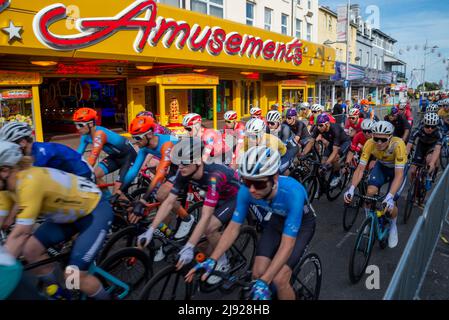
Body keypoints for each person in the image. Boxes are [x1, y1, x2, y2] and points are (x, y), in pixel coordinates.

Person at [185, 146, 315, 300]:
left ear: (274, 179)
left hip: (303, 225)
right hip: (277, 219)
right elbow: (233, 228)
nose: (252, 190)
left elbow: (287, 245)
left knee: (280, 279)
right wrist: (213, 259)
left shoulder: (293, 193)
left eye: (258, 184)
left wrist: (265, 281)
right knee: (257, 273)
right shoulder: (246, 191)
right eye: (247, 182)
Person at [0, 141, 114, 299]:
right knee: (30, 250)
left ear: (5, 170)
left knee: (74, 276)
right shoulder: (5, 188)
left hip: (94, 212)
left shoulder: (29, 181)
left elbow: (21, 233)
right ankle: (62, 294)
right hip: (67, 216)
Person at [137, 137, 240, 284]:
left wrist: (189, 246)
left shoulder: (214, 177)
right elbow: (168, 202)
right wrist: (151, 229)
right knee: (204, 239)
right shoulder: (185, 169)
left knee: (209, 227)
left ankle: (223, 263)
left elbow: (205, 216)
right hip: (217, 194)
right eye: (178, 163)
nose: (180, 167)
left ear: (198, 161)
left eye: (184, 162)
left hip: (234, 197)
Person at [344, 121, 407, 248]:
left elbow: (399, 175)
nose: (378, 143)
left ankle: (393, 226)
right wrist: (351, 189)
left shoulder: (398, 144)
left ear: (390, 137)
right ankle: (369, 221)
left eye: (382, 140)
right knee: (369, 193)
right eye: (376, 138)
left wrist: (389, 196)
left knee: (390, 205)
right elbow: (360, 169)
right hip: (382, 167)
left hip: (397, 170)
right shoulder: (369, 143)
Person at [0, 122, 94, 181]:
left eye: (10, 145)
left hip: (82, 174)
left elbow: (29, 177)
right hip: (68, 178)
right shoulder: (31, 151)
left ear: (23, 142)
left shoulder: (41, 152)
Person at [74, 107, 137, 194]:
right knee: (95, 176)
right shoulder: (85, 136)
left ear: (91, 124)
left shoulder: (99, 134)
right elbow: (77, 156)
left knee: (117, 192)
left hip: (128, 157)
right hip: (115, 157)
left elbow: (92, 159)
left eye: (80, 125)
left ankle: (127, 206)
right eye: (75, 124)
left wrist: (81, 173)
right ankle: (109, 200)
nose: (77, 128)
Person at [309, 113, 351, 187]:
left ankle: (337, 175)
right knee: (322, 162)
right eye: (317, 125)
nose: (318, 127)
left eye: (321, 125)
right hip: (333, 143)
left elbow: (335, 151)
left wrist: (327, 163)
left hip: (344, 142)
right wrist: (302, 154)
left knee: (335, 158)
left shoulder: (335, 129)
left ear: (327, 124)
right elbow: (311, 142)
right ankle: (323, 185)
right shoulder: (318, 128)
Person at [406, 113, 443, 191]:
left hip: (432, 146)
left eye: (433, 127)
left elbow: (437, 149)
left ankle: (429, 176)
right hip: (421, 146)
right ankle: (412, 188)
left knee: (430, 160)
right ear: (424, 125)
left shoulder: (439, 132)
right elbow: (409, 144)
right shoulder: (418, 130)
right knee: (412, 171)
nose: (430, 129)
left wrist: (432, 163)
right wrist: (405, 156)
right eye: (427, 126)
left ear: (436, 126)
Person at [266, 110, 300, 174]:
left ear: (279, 122)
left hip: (291, 149)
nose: (269, 125)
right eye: (268, 123)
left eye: (272, 123)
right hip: (280, 148)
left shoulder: (285, 129)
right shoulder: (268, 128)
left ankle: (291, 181)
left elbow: (282, 147)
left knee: (279, 170)